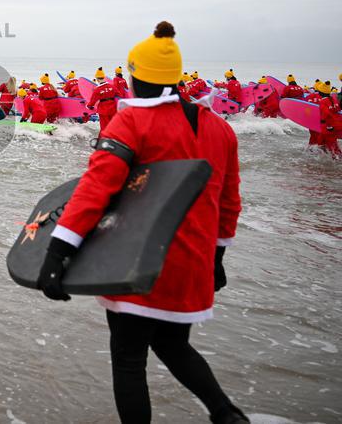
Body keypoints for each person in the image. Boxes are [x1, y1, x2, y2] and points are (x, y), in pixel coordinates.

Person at [37, 21, 248, 424]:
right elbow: (229, 202)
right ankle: (227, 414)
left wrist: (57, 250)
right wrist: (217, 259)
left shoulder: (132, 122)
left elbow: (96, 188)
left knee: (129, 359)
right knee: (172, 345)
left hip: (137, 259)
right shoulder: (221, 129)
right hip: (192, 263)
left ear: (135, 77)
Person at [312, 80, 341, 158]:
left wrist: (328, 126)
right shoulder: (333, 99)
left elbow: (326, 113)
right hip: (337, 124)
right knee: (321, 140)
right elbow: (338, 110)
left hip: (329, 126)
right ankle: (323, 156)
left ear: (321, 92)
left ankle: (336, 158)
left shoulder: (323, 102)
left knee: (331, 144)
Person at [87, 67, 119, 132]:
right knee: (113, 126)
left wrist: (88, 106)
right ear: (104, 78)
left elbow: (92, 102)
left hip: (103, 110)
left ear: (97, 79)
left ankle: (103, 140)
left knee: (104, 128)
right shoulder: (112, 86)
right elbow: (119, 94)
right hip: (113, 109)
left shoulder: (97, 90)